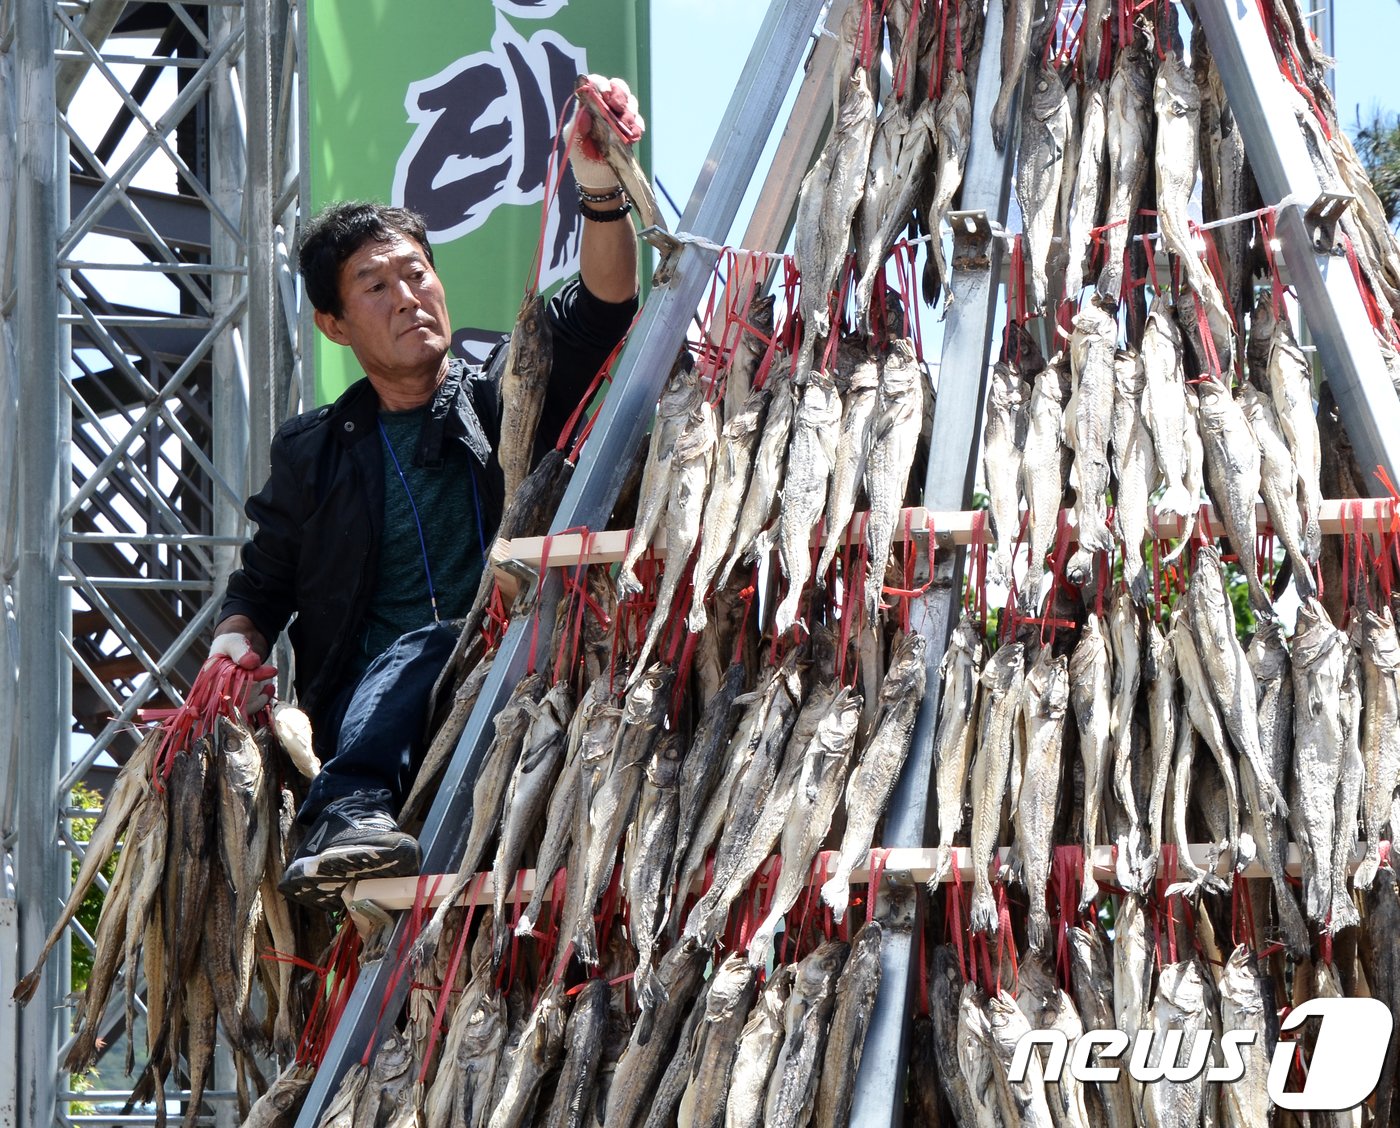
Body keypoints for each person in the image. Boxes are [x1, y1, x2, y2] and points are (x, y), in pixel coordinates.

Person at [209, 76, 644, 909]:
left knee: (448, 637)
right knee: (420, 646)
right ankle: (345, 810)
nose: (409, 295)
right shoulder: (313, 455)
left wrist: (598, 185)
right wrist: (234, 650)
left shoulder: (503, 389)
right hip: (375, 724)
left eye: (418, 274)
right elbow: (260, 587)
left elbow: (601, 309)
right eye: (377, 285)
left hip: (521, 684)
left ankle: (350, 807)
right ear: (334, 325)